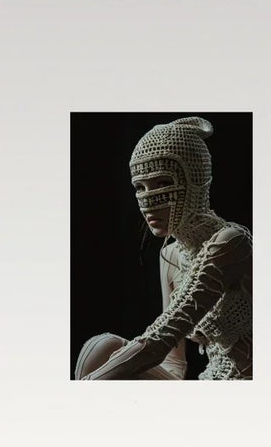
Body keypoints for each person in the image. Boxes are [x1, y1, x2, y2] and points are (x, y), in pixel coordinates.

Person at [74, 116, 252, 382]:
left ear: (195, 181)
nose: (148, 201)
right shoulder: (169, 255)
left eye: (162, 184)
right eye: (140, 187)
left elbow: (162, 336)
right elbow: (172, 358)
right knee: (103, 347)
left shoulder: (231, 242)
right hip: (206, 382)